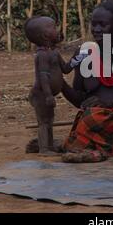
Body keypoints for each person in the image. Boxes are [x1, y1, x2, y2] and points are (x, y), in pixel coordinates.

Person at [60, 0, 113, 163]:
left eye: (103, 25)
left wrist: (108, 104)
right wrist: (61, 84)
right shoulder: (82, 54)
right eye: (94, 24)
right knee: (91, 115)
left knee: (97, 116)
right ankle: (97, 146)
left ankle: (94, 149)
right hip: (92, 119)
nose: (96, 30)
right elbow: (81, 101)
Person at [24, 16, 66, 156]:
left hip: (47, 95)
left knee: (49, 120)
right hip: (41, 94)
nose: (57, 30)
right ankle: (44, 149)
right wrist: (48, 95)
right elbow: (43, 76)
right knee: (44, 122)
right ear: (45, 35)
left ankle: (49, 146)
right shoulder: (41, 55)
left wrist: (79, 58)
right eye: (54, 27)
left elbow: (66, 69)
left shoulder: (54, 52)